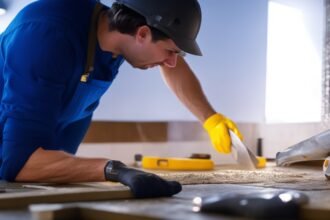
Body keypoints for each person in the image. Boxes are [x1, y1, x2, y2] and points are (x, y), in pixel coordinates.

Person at [0, 0, 242, 198]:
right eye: (171, 52)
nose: (172, 62)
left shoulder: (113, 35)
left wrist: (210, 118)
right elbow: (20, 163)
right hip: (19, 159)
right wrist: (114, 170)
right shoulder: (46, 37)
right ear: (143, 33)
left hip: (48, 162)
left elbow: (171, 66)